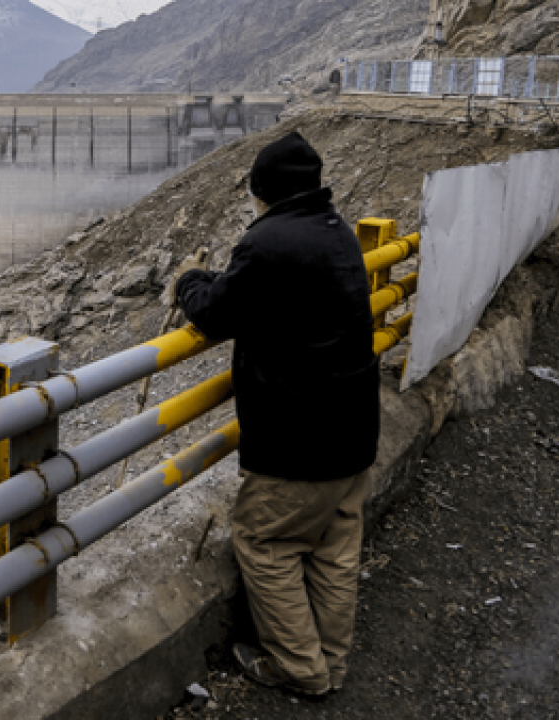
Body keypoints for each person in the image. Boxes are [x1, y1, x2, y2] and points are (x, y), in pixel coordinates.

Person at [173, 131, 380, 696]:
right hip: (353, 429)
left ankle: (297, 668)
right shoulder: (333, 231)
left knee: (265, 542)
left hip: (298, 440)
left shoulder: (267, 244)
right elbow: (268, 295)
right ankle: (330, 664)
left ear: (261, 190)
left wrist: (189, 279)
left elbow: (216, 313)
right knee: (335, 549)